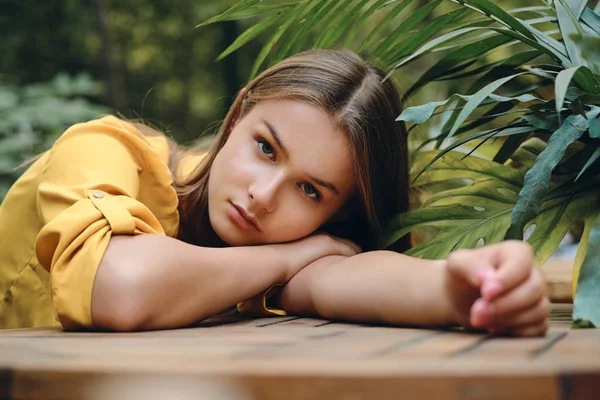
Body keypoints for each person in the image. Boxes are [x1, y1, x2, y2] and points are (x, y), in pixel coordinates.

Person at [0, 49, 549, 336]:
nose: (263, 196)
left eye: (310, 190)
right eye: (266, 148)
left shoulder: (295, 247)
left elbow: (347, 275)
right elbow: (118, 287)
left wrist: (461, 289)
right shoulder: (103, 149)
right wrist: (288, 254)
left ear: (340, 213)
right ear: (237, 116)